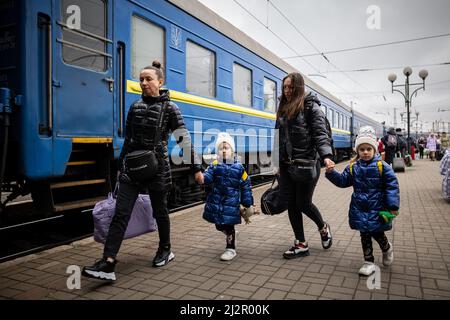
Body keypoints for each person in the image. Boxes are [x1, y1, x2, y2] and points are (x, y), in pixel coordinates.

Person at [82, 61, 204, 281]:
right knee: (121, 213)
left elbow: (183, 139)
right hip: (133, 167)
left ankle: (166, 249)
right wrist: (121, 167)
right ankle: (108, 262)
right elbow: (128, 140)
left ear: (160, 81)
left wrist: (196, 167)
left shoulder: (170, 108)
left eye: (149, 79)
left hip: (158, 166)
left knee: (160, 212)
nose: (144, 83)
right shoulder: (135, 107)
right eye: (141, 79)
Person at [274, 72, 334, 259]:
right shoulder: (283, 108)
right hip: (286, 165)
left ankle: (323, 228)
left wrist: (326, 156)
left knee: (303, 203)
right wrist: (275, 163)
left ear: (299, 87)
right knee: (291, 203)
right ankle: (301, 243)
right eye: (284, 87)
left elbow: (320, 134)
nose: (287, 91)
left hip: (307, 164)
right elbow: (278, 138)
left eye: (291, 87)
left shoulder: (311, 107)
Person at [325, 126, 399, 275]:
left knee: (378, 233)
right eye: (362, 149)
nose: (365, 152)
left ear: (374, 150)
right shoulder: (353, 167)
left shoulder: (382, 167)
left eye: (368, 149)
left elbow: (392, 186)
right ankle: (368, 262)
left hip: (377, 208)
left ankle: (386, 248)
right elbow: (342, 181)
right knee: (364, 234)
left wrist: (392, 205)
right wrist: (331, 173)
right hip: (359, 207)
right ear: (357, 151)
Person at [199, 132, 254, 261]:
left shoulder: (239, 168)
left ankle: (231, 249)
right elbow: (208, 177)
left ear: (232, 151)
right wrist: (202, 178)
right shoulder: (214, 165)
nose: (224, 151)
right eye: (221, 148)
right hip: (217, 201)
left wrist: (247, 202)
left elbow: (246, 185)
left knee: (229, 226)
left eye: (226, 148)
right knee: (218, 225)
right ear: (218, 152)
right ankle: (232, 235)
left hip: (231, 203)